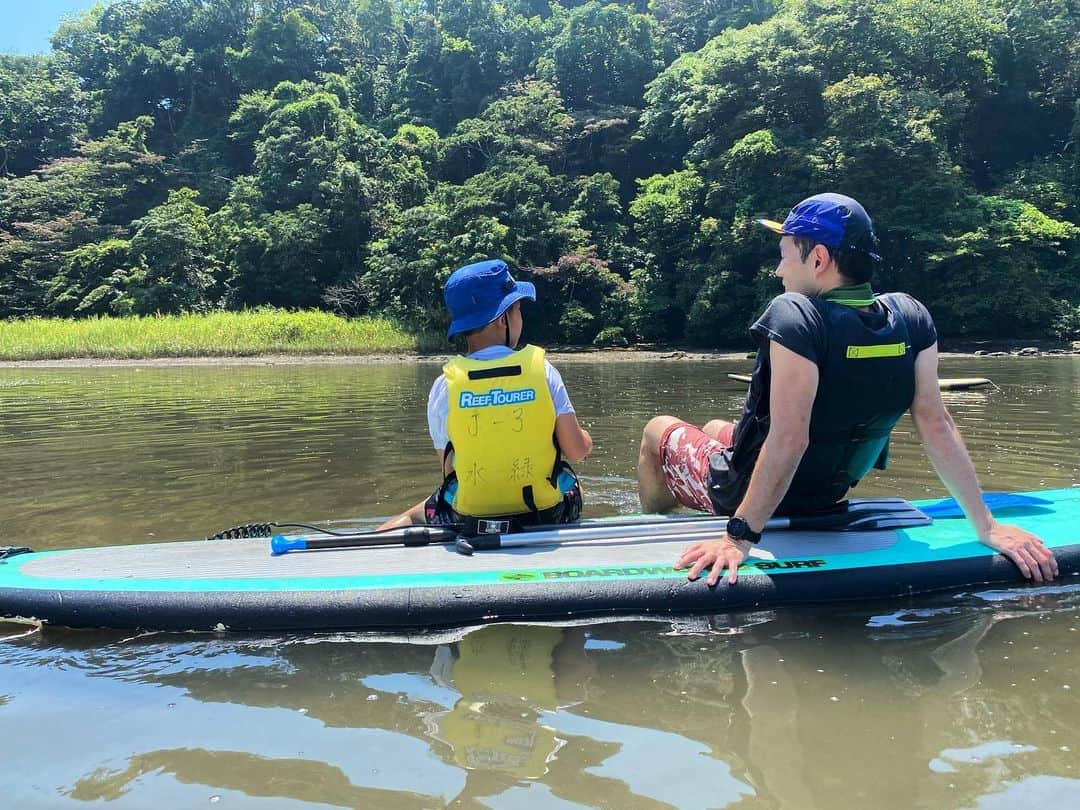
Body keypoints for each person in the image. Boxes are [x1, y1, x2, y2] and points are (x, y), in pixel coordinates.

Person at [636, 193, 1058, 586]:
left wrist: (737, 539)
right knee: (714, 427)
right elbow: (936, 423)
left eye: (784, 258)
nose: (778, 271)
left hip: (754, 499)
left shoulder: (794, 315)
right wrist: (986, 525)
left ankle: (658, 525)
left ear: (817, 259)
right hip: (829, 493)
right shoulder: (911, 317)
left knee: (658, 429)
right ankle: (714, 471)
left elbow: (789, 438)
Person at [379, 258, 592, 534]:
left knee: (412, 516)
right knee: (575, 486)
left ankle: (365, 551)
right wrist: (585, 437)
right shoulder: (543, 370)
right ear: (502, 317)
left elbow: (450, 472)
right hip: (543, 515)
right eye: (517, 309)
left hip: (470, 520)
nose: (520, 318)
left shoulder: (445, 384)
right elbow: (576, 451)